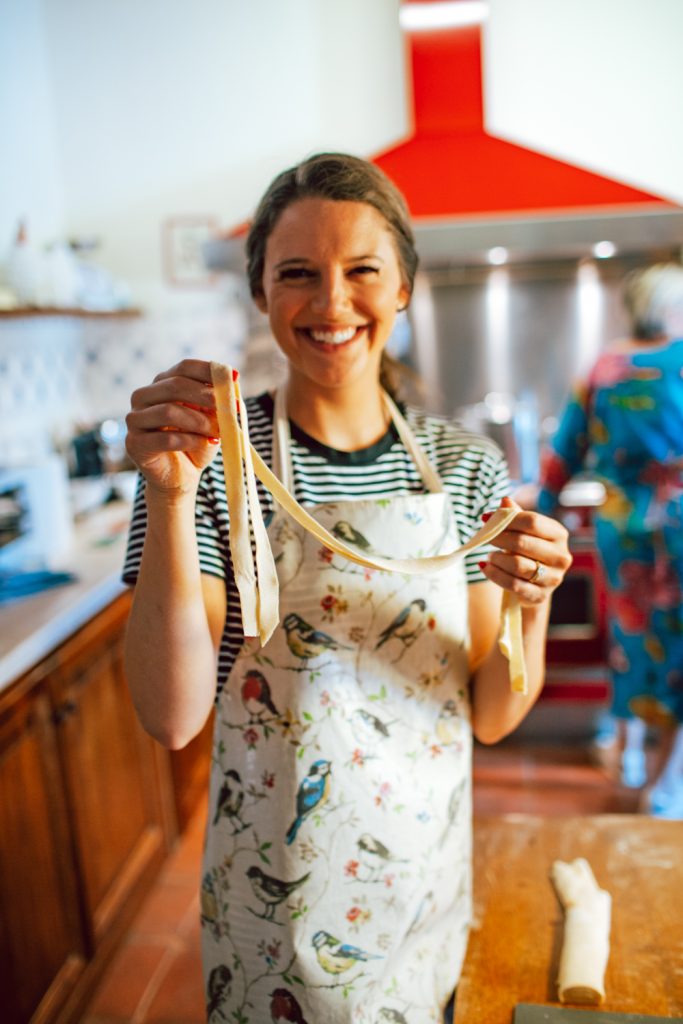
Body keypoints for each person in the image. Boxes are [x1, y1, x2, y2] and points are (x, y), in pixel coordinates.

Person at [123, 152, 571, 1024]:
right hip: (273, 896)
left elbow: (489, 711)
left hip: (420, 881)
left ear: (402, 286)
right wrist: (171, 496)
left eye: (361, 271)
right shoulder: (204, 463)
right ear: (260, 291)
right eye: (297, 273)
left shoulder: (465, 468)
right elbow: (170, 715)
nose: (331, 304)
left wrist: (533, 597)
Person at [537, 262, 683, 818]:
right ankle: (667, 784)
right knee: (679, 648)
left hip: (621, 523)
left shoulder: (606, 366)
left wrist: (548, 511)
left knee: (632, 641)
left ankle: (628, 756)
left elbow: (564, 448)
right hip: (677, 523)